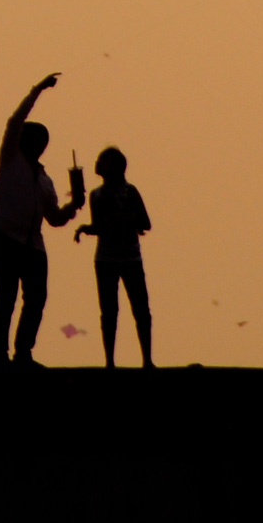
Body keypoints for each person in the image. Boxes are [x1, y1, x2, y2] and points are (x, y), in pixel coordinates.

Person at [0, 74, 84, 368]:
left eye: (43, 140)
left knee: (36, 299)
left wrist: (74, 206)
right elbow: (14, 121)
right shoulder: (10, 158)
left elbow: (54, 219)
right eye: (34, 138)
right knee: (6, 297)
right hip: (6, 236)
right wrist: (37, 91)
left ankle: (22, 353)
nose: (39, 144)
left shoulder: (45, 179)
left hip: (33, 244)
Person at [74, 147, 154, 368]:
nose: (97, 162)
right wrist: (85, 228)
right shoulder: (96, 195)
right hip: (105, 259)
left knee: (140, 309)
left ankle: (146, 359)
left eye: (103, 160)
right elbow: (99, 226)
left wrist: (125, 221)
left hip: (130, 258)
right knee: (109, 311)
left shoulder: (130, 192)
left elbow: (145, 222)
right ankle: (110, 361)